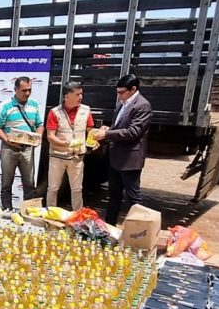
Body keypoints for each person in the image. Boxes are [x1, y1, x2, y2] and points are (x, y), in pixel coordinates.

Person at [93, 74, 152, 225]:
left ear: (133, 89)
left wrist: (107, 134)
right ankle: (109, 226)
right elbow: (119, 126)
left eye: (122, 92)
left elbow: (133, 132)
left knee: (133, 197)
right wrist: (109, 129)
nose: (119, 96)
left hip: (130, 160)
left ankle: (141, 229)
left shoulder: (142, 105)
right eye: (117, 92)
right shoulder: (122, 104)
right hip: (116, 158)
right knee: (114, 194)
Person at [0, 76, 43, 210]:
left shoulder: (34, 105)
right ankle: (7, 210)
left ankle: (28, 211)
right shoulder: (5, 106)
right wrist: (8, 140)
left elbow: (40, 124)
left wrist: (38, 137)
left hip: (27, 149)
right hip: (9, 149)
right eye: (24, 90)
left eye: (29, 90)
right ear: (15, 89)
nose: (27, 93)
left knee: (29, 183)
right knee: (6, 183)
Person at [45, 81, 94, 211]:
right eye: (77, 94)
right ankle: (50, 213)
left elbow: (90, 131)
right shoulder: (55, 112)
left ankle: (77, 216)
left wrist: (95, 140)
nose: (81, 97)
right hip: (57, 156)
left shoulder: (86, 110)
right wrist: (64, 144)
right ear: (67, 96)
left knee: (77, 189)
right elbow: (50, 136)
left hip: (77, 157)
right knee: (53, 188)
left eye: (81, 94)